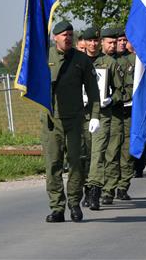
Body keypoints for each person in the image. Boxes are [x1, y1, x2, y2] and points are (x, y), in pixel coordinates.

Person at [42, 21, 101, 223]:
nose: (67, 37)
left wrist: (95, 115)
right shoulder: (43, 57)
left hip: (75, 119)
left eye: (70, 34)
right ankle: (57, 207)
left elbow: (93, 90)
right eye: (63, 34)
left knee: (77, 162)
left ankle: (74, 202)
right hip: (51, 120)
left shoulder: (81, 60)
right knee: (53, 163)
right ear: (54, 37)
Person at [82, 26, 117, 209]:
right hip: (81, 114)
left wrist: (110, 98)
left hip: (102, 114)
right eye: (90, 41)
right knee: (83, 155)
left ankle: (95, 192)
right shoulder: (78, 61)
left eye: (96, 41)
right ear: (84, 42)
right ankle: (86, 189)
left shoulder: (109, 62)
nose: (93, 44)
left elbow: (121, 89)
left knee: (97, 154)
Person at [101, 27, 133, 202]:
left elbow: (128, 89)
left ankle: (121, 186)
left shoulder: (127, 62)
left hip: (125, 112)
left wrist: (115, 98)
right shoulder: (98, 61)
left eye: (121, 40)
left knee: (125, 152)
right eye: (114, 41)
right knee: (108, 152)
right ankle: (106, 188)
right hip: (105, 113)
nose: (118, 44)